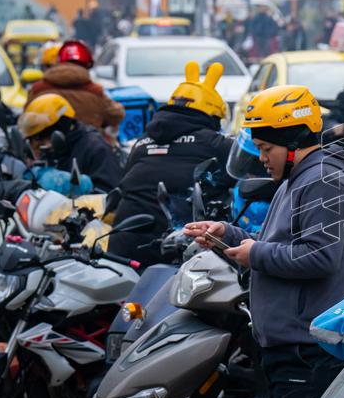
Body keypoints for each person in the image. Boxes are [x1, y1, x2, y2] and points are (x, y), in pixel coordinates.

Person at [184, 84, 344, 398]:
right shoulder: (298, 178)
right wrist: (229, 234)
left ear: (291, 144)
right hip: (289, 347)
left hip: (307, 351)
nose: (262, 159)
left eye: (266, 149)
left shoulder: (321, 180)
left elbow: (319, 257)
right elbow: (280, 242)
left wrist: (256, 254)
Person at [109, 61, 234, 266]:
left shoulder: (141, 143)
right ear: (212, 116)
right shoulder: (217, 144)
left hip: (123, 247)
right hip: (181, 250)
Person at [18, 93, 121, 190]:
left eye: (39, 139)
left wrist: (75, 188)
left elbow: (109, 194)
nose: (38, 150)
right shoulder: (54, 152)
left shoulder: (96, 149)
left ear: (58, 132)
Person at [26, 40, 125, 138]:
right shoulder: (95, 91)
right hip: (88, 151)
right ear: (87, 65)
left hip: (45, 151)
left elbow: (27, 120)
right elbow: (116, 115)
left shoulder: (38, 90)